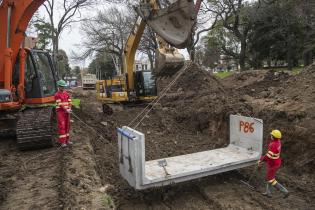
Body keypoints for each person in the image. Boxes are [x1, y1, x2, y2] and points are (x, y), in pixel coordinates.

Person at [258, 129, 289, 198]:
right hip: (275, 162)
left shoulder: (273, 145)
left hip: (273, 164)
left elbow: (268, 156)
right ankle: (268, 193)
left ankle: (285, 191)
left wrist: (261, 160)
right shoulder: (278, 142)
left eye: (271, 135)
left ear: (273, 136)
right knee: (270, 177)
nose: (270, 136)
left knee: (270, 179)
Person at [55, 80, 73, 147]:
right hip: (60, 112)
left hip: (66, 112)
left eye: (64, 86)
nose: (63, 88)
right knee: (62, 126)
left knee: (67, 126)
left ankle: (67, 140)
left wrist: (70, 108)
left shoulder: (66, 94)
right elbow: (59, 104)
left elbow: (70, 101)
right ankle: (62, 142)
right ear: (59, 86)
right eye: (62, 86)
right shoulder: (57, 95)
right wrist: (66, 109)